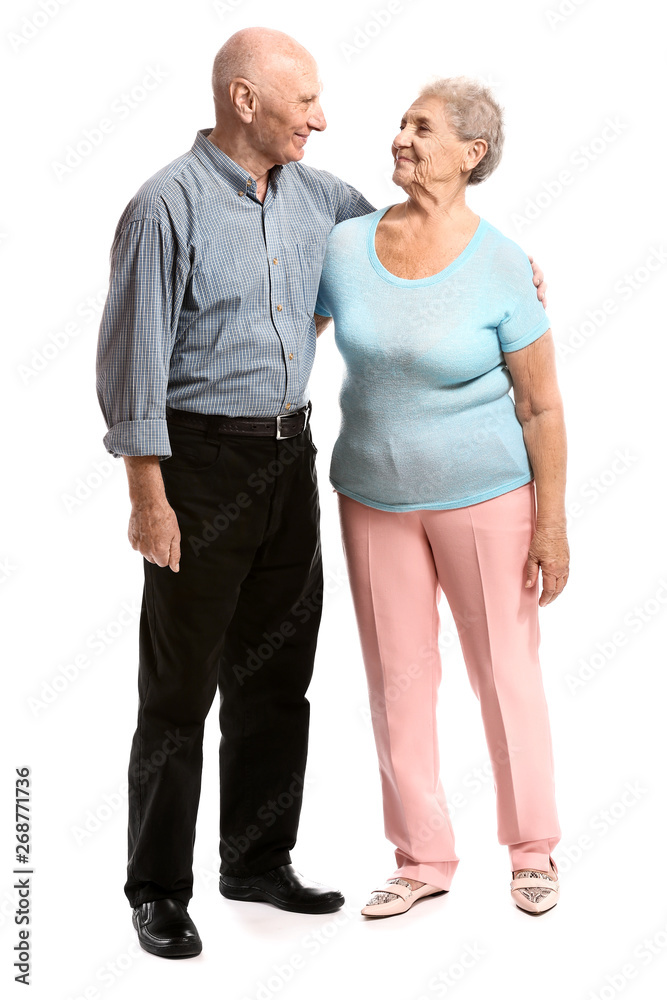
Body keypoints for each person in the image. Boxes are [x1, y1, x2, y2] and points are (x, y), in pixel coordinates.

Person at [314, 77, 567, 917]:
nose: (399, 136)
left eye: (420, 127)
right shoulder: (343, 246)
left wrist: (553, 523)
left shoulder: (501, 263)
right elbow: (285, 325)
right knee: (397, 679)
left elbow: (539, 405)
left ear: (471, 152)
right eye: (398, 122)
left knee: (504, 675)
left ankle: (531, 851)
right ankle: (420, 858)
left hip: (486, 501)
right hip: (371, 498)